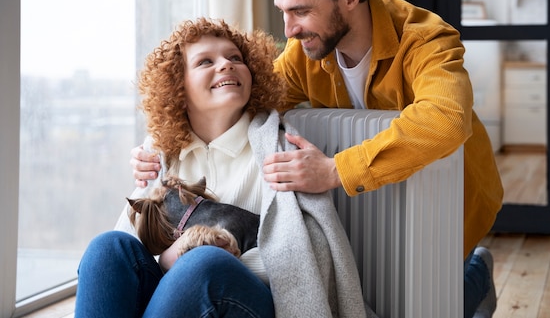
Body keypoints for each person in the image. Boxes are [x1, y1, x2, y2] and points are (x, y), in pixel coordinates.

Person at [131, 0, 504, 318]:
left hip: (451, 192)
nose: (289, 30)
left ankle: (477, 273)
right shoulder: (302, 54)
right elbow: (234, 104)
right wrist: (157, 147)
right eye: (284, 12)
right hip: (373, 190)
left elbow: (447, 119)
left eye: (301, 11)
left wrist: (334, 170)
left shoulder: (424, 38)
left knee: (432, 294)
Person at [77, 17, 372, 318]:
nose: (226, 65)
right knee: (106, 249)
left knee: (203, 264)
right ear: (178, 86)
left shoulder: (278, 150)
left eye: (235, 58)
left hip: (248, 301)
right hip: (178, 299)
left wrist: (215, 256)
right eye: (205, 62)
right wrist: (171, 259)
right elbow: (128, 245)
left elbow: (303, 259)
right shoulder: (162, 156)